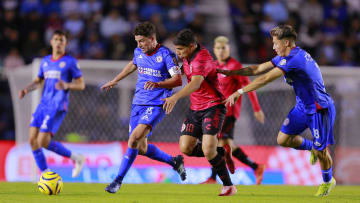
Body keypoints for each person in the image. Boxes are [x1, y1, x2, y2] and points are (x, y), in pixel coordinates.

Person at [218, 25, 336, 197]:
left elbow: (265, 78)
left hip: (319, 108)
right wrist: (231, 73)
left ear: (286, 42)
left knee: (322, 151)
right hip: (303, 107)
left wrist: (239, 91)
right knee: (283, 139)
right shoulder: (286, 56)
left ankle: (327, 181)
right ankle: (312, 148)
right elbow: (257, 69)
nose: (273, 47)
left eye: (275, 43)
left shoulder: (295, 60)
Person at [101, 22, 186, 193]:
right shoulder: (138, 51)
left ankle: (117, 181)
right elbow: (133, 64)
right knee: (141, 147)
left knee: (133, 139)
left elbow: (177, 80)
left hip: (157, 104)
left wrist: (158, 84)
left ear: (152, 39)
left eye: (142, 41)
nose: (139, 45)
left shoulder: (166, 54)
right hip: (138, 102)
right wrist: (115, 80)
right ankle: (174, 161)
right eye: (137, 41)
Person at [163, 29, 237, 196]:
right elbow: (181, 74)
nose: (178, 53)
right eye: (177, 49)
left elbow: (195, 84)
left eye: (181, 49)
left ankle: (229, 186)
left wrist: (174, 98)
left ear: (191, 46)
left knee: (208, 150)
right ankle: (222, 152)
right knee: (186, 148)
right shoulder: (188, 58)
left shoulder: (202, 58)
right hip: (195, 109)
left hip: (213, 107)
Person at [19, 30, 86, 178]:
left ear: (66, 43)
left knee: (42, 141)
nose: (58, 42)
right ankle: (46, 174)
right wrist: (26, 89)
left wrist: (67, 85)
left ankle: (76, 158)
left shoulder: (70, 62)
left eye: (61, 40)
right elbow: (38, 82)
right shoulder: (45, 61)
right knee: (32, 140)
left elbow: (81, 85)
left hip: (57, 105)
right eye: (56, 39)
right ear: (51, 42)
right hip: (43, 104)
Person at [202, 36, 266, 185]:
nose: (221, 51)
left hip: (229, 113)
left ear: (229, 49)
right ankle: (256, 167)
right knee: (223, 144)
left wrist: (257, 109)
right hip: (215, 112)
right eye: (218, 48)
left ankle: (213, 178)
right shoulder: (214, 67)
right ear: (214, 50)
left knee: (218, 143)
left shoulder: (235, 67)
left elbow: (249, 89)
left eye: (224, 48)